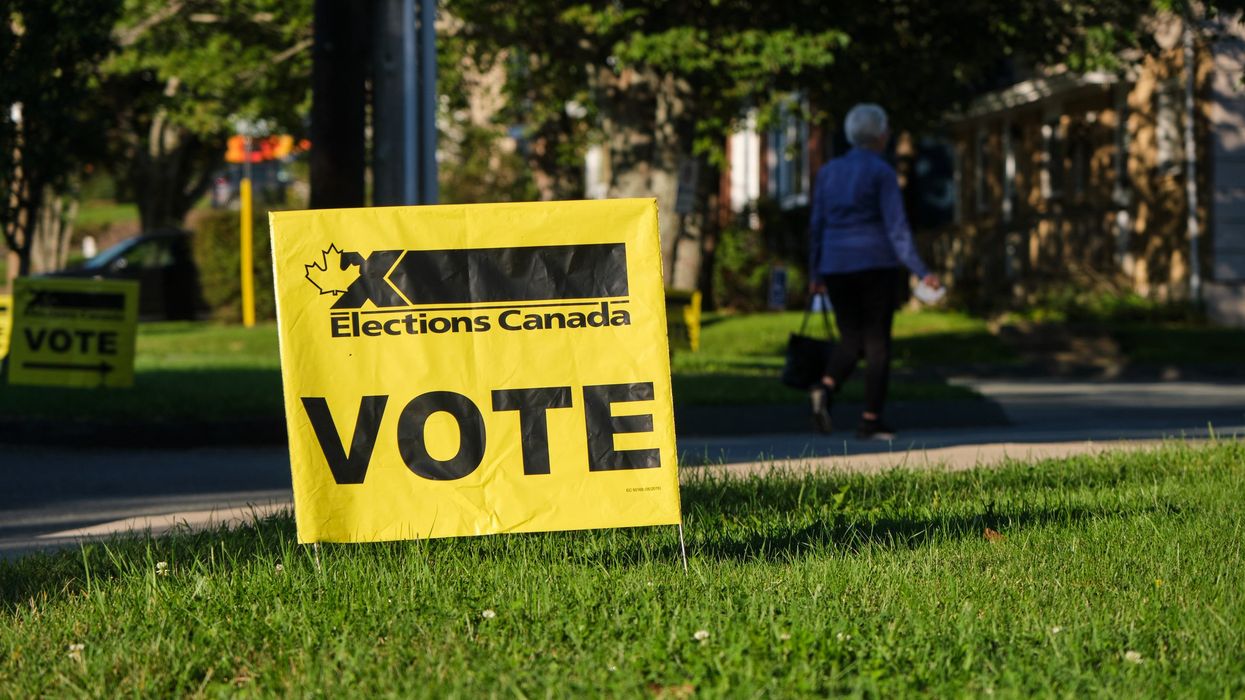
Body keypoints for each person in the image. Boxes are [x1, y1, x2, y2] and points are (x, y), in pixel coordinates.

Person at [807, 103, 941, 439]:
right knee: (877, 341)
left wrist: (815, 273)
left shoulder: (828, 172)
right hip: (875, 262)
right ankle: (870, 419)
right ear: (880, 135)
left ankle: (825, 386)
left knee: (851, 336)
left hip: (835, 263)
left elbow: (816, 225)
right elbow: (897, 228)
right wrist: (920, 270)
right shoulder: (882, 172)